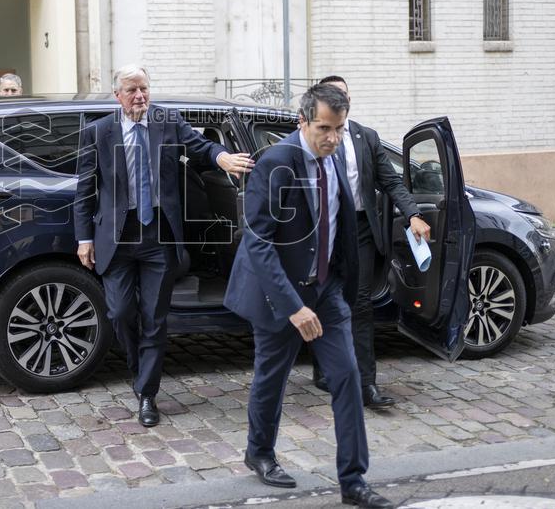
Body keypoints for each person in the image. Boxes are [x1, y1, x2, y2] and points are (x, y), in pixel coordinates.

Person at [223, 83, 393, 508]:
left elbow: (342, 227)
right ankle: (259, 452)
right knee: (271, 378)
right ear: (302, 122)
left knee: (348, 379)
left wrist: (345, 288)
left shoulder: (333, 159)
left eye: (338, 128)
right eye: (324, 129)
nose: (333, 138)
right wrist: (293, 307)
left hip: (327, 291)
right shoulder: (275, 163)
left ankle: (353, 482)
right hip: (277, 294)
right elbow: (258, 241)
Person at [74, 65, 253, 427]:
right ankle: (141, 373)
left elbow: (201, 147)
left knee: (155, 319)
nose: (139, 96)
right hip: (117, 238)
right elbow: (84, 191)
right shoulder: (98, 133)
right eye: (131, 90)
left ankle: (147, 394)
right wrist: (84, 238)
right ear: (117, 96)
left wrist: (223, 158)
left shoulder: (166, 121)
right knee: (121, 313)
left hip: (159, 236)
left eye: (144, 89)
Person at [314, 75, 430, 409]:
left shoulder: (366, 137)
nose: (341, 100)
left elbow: (391, 180)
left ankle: (367, 384)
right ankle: (322, 369)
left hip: (361, 229)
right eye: (334, 95)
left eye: (345, 95)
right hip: (325, 230)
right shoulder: (314, 136)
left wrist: (413, 215)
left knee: (360, 303)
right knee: (325, 298)